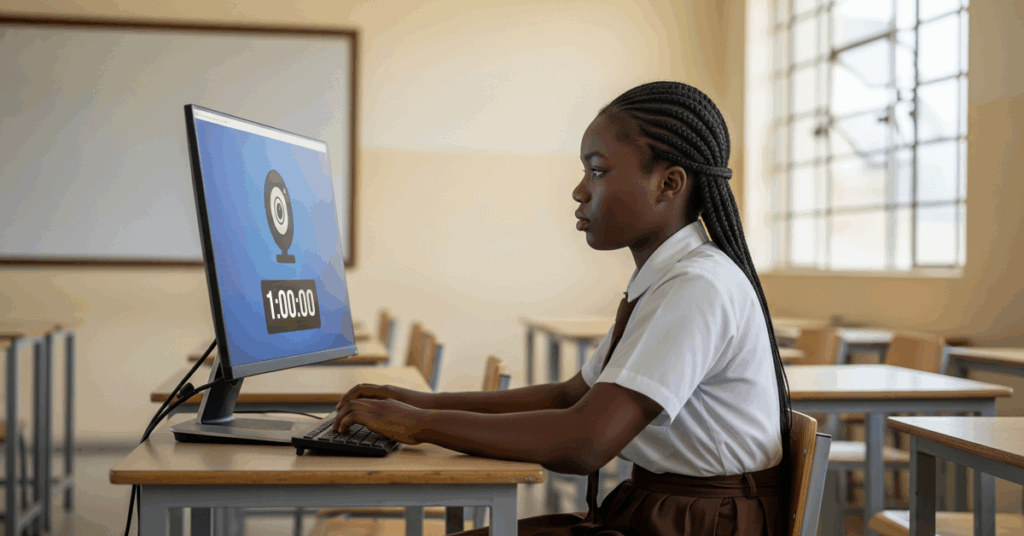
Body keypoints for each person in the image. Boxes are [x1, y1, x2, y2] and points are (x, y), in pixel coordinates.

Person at [331, 80, 792, 536]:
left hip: (701, 524)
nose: (579, 190)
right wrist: (418, 402)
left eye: (598, 171)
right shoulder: (668, 277)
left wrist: (422, 424)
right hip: (662, 510)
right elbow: (570, 396)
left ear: (668, 184)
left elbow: (586, 443)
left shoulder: (698, 285)